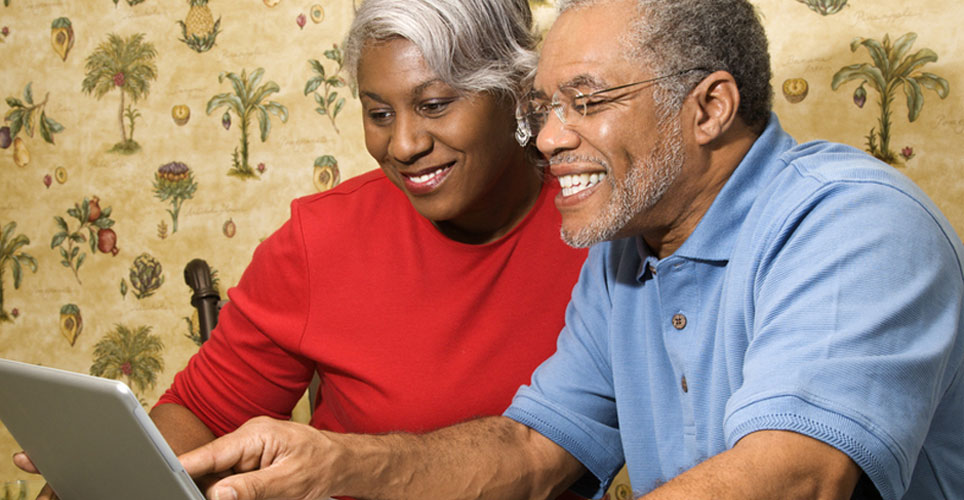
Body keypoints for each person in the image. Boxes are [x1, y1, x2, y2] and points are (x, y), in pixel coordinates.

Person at [151, 0, 964, 499]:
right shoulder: (621, 254)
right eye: (544, 105)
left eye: (587, 101)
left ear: (710, 106)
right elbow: (532, 449)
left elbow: (793, 479)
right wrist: (334, 463)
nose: (546, 136)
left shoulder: (855, 223)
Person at [13, 0, 590, 499]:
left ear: (515, 91)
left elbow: (543, 459)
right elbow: (203, 413)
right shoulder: (323, 238)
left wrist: (343, 461)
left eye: (435, 104)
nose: (405, 144)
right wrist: (111, 475)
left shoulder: (602, 233)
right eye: (379, 114)